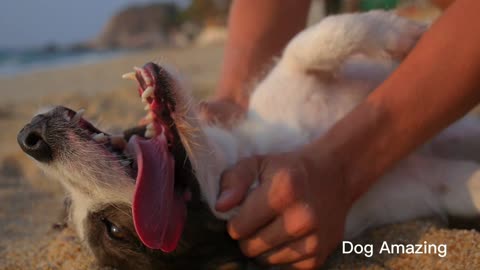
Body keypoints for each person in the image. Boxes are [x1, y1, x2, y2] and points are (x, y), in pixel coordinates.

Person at [201, 0, 479, 268]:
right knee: (450, 184)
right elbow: (439, 187)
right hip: (428, 164)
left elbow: (300, 59)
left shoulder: (266, 104)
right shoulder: (295, 219)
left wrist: (234, 98)